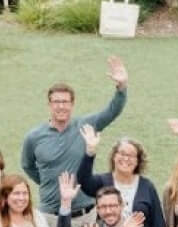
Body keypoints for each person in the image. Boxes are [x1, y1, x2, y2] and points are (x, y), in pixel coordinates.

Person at [24, 61, 130, 215]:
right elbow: (27, 166)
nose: (61, 106)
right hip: (50, 214)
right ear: (49, 104)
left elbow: (112, 111)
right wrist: (49, 181)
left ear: (72, 104)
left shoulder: (86, 126)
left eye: (65, 102)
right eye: (56, 102)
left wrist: (122, 86)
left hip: (85, 214)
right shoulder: (34, 137)